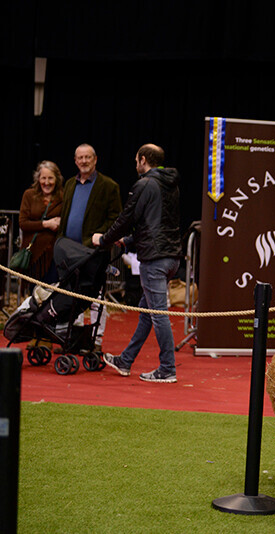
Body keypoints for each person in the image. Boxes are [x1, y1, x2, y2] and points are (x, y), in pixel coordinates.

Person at [93, 144, 181, 383]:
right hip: (171, 257)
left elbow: (126, 218)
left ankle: (167, 368)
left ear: (143, 159)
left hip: (154, 258)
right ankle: (126, 360)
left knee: (157, 314)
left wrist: (104, 239)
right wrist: (129, 240)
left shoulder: (144, 184)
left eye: (136, 160)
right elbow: (158, 224)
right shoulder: (170, 185)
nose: (135, 165)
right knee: (146, 313)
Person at [58, 144, 122, 351]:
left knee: (95, 298)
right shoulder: (68, 184)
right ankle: (72, 340)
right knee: (70, 297)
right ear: (75, 161)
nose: (84, 161)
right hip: (69, 252)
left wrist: (98, 238)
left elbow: (115, 218)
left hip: (94, 254)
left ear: (95, 160)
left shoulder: (109, 186)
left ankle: (96, 342)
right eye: (80, 158)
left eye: (88, 157)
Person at [19, 161, 64, 287]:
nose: (46, 182)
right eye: (43, 178)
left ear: (57, 179)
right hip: (33, 255)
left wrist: (61, 223)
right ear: (38, 178)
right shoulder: (29, 195)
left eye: (50, 178)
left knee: (51, 293)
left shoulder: (63, 197)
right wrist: (46, 224)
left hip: (54, 256)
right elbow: (23, 223)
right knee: (32, 296)